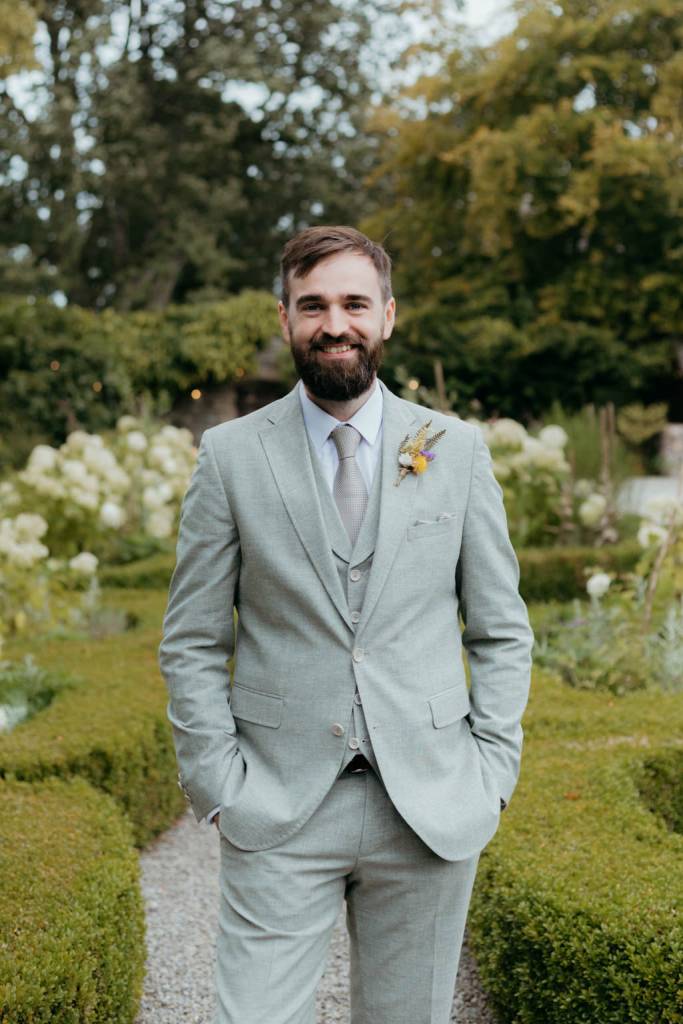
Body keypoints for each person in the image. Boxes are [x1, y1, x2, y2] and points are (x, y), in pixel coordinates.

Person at [158, 225, 534, 1024]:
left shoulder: (455, 450)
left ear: (387, 316)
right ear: (285, 318)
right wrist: (217, 783)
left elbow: (500, 630)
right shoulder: (229, 456)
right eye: (313, 305)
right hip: (276, 800)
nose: (335, 324)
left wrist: (490, 774)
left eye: (354, 303)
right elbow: (192, 637)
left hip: (429, 805)